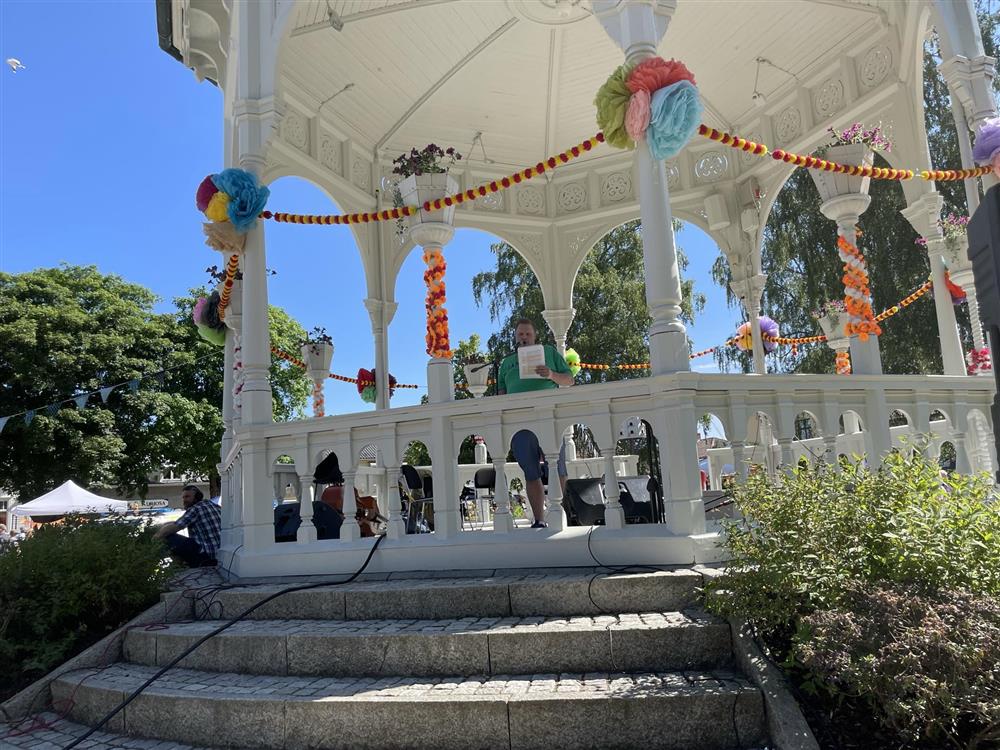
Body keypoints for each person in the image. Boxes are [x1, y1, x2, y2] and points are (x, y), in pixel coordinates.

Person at [496, 318, 574, 528]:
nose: (524, 337)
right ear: (515, 337)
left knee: (558, 467)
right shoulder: (505, 363)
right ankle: (539, 519)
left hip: (549, 417)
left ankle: (558, 513)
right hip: (519, 422)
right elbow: (501, 394)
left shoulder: (548, 352)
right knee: (530, 471)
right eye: (520, 334)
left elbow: (569, 380)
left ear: (535, 336)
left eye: (528, 334)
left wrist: (550, 374)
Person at [154, 485, 221, 567]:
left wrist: (155, 537)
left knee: (168, 537)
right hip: (219, 555)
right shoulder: (215, 506)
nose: (184, 500)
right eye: (183, 497)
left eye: (187, 497)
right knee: (168, 530)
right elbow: (180, 522)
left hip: (206, 556)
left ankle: (178, 566)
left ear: (197, 497)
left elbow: (176, 526)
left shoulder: (195, 509)